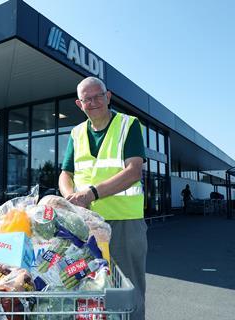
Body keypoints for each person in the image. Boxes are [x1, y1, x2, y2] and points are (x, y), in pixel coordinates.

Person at [58, 77, 147, 320]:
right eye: (88, 99)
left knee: (129, 290)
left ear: (108, 97)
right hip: (86, 224)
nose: (94, 102)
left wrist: (91, 194)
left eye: (99, 96)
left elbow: (134, 170)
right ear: (80, 104)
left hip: (124, 222)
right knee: (89, 287)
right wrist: (70, 197)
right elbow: (65, 174)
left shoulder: (129, 125)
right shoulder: (76, 133)